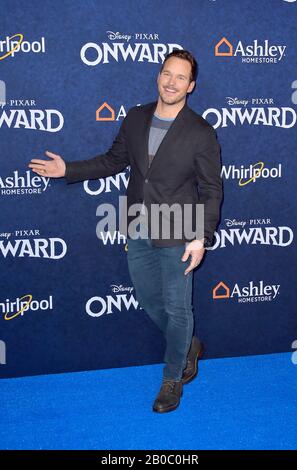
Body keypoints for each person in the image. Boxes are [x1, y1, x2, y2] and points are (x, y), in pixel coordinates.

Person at [28, 49, 223, 413]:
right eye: (167, 73)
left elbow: (212, 190)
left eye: (181, 77)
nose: (171, 81)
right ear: (158, 76)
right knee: (152, 303)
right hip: (136, 226)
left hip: (179, 229)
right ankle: (189, 346)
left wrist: (201, 237)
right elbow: (113, 161)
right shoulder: (135, 118)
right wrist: (67, 169)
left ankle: (172, 378)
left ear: (191, 86)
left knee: (178, 309)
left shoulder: (201, 132)